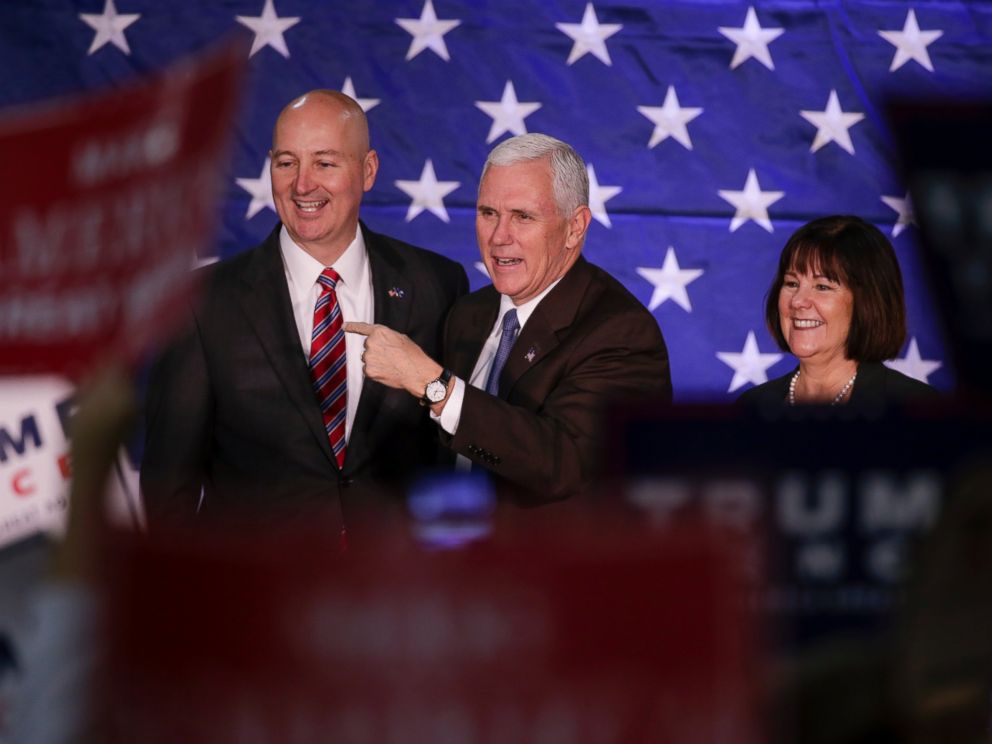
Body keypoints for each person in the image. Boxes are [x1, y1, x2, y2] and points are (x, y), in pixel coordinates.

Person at [141, 90, 468, 533]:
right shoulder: (201, 302)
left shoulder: (437, 285)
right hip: (257, 590)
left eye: (325, 163)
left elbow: (448, 460)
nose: (302, 185)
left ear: (368, 171)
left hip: (393, 586)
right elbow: (168, 491)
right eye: (286, 162)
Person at [346, 133, 672, 503]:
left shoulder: (621, 333)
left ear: (575, 226)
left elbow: (566, 463)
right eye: (488, 214)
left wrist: (434, 385)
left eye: (523, 216)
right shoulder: (470, 313)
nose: (500, 237)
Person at [738, 215, 937, 406]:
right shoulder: (751, 406)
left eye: (822, 287)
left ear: (867, 302)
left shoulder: (918, 408)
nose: (798, 301)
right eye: (791, 283)